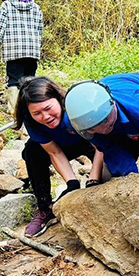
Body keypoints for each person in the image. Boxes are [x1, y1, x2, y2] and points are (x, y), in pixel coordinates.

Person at [64, 74, 139, 179]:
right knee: (110, 177)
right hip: (125, 125)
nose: (103, 130)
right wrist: (130, 180)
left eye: (105, 122)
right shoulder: (76, 120)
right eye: (94, 128)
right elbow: (111, 149)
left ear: (113, 104)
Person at [15, 77, 95, 238]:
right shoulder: (32, 121)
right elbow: (55, 152)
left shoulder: (76, 107)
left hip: (91, 142)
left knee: (109, 175)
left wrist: (94, 177)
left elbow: (101, 145)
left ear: (58, 99)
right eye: (37, 113)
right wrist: (71, 183)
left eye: (48, 108)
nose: (45, 117)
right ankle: (45, 208)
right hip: (61, 145)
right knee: (31, 151)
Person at [0, 0, 44, 114]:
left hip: (13, 50)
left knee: (14, 80)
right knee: (29, 81)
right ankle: (29, 109)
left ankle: (15, 111)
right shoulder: (36, 7)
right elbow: (39, 29)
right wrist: (36, 47)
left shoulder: (7, 5)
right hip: (32, 49)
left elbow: (0, 25)